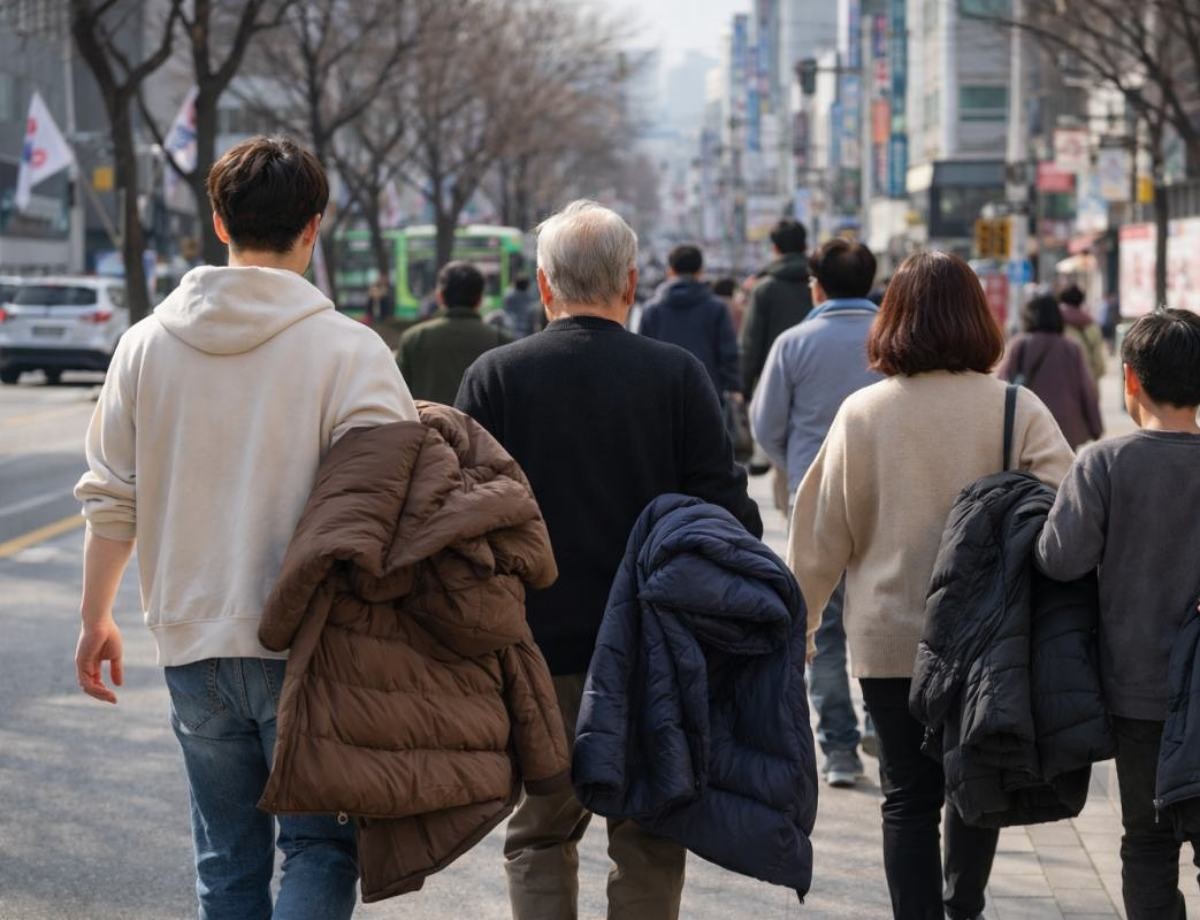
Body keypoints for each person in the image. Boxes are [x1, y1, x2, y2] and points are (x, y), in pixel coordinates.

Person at [72, 136, 419, 918]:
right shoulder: (351, 351)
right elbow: (396, 504)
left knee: (226, 860)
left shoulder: (143, 346)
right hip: (312, 648)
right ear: (315, 228)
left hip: (192, 643)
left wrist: (96, 618)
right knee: (320, 850)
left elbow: (111, 498)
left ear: (219, 223)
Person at [455, 199, 761, 920]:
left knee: (538, 831)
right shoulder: (678, 376)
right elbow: (727, 512)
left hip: (535, 647)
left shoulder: (496, 376)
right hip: (655, 646)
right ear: (630, 284)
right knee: (651, 829)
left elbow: (463, 520)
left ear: (543, 284)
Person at [788, 251, 1075, 920]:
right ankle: (962, 907)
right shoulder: (1016, 409)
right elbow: (1071, 518)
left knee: (906, 798)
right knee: (976, 785)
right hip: (989, 640)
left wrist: (800, 629)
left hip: (889, 642)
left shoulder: (863, 414)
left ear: (893, 321)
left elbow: (818, 535)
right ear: (980, 318)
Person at [1036, 309, 1200, 920]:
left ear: (1129, 380)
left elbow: (1059, 560)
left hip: (1139, 694)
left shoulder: (1104, 464)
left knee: (1149, 841)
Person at [750, 238, 883, 788]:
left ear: (816, 285)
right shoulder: (894, 339)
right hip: (887, 497)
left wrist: (797, 465)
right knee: (885, 615)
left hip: (817, 499)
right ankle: (885, 723)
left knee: (821, 629)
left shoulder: (794, 343)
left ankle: (840, 750)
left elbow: (765, 425)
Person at [741, 218, 813, 503]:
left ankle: (793, 514)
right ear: (805, 245)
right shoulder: (817, 282)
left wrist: (743, 389)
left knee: (782, 451)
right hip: (818, 378)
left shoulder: (765, 289)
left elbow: (750, 344)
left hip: (775, 382)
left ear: (774, 248)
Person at [396, 260, 511, 405]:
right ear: (480, 298)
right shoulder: (502, 340)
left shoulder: (414, 338)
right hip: (482, 428)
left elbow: (398, 396)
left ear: (439, 296)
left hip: (426, 426)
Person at [638, 244, 741, 403]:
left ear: (670, 271)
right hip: (708, 396)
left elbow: (642, 358)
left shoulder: (651, 310)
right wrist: (734, 387)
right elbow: (728, 354)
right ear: (700, 272)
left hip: (663, 397)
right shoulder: (717, 308)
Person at [998, 293, 1103, 449]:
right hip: (1066, 427)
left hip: (1028, 423)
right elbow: (1086, 389)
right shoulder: (1071, 347)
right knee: (1064, 471)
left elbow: (1002, 385)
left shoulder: (1020, 345)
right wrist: (1096, 427)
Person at [1058, 284, 1106, 382]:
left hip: (1062, 384)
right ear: (1081, 302)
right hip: (1087, 384)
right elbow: (1099, 365)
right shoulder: (1092, 326)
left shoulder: (1055, 326)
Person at [499, 273, 540, 339]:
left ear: (515, 284)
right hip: (526, 336)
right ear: (527, 286)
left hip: (509, 332)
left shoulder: (508, 296)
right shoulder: (530, 299)